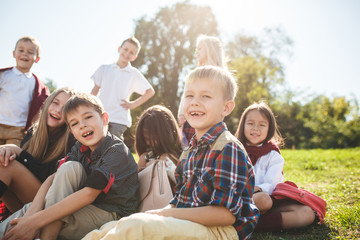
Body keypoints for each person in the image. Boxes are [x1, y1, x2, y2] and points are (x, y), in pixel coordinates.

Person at [83, 66, 259, 240]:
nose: (195, 102)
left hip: (221, 232)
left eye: (206, 96)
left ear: (226, 108)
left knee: (136, 226)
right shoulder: (190, 151)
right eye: (189, 95)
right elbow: (180, 202)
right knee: (113, 226)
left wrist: (164, 214)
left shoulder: (227, 148)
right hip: (190, 224)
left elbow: (225, 215)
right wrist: (157, 213)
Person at [0, 93, 139, 239]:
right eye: (75, 123)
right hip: (82, 206)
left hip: (110, 212)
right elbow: (53, 178)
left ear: (104, 119)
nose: (82, 125)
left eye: (88, 117)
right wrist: (31, 214)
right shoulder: (79, 148)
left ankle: (45, 237)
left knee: (49, 219)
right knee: (69, 169)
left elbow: (89, 194)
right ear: (72, 132)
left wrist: (35, 222)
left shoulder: (115, 150)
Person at [235, 101, 316, 231]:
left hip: (268, 202)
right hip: (240, 200)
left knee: (307, 213)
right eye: (250, 123)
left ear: (269, 128)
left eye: (262, 125)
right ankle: (241, 220)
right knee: (262, 200)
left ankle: (251, 224)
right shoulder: (234, 150)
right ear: (242, 125)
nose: (255, 128)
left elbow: (272, 185)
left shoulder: (273, 156)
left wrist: (254, 189)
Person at [0, 87, 76, 216]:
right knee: (4, 160)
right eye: (55, 103)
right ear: (47, 103)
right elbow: (23, 168)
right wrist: (9, 152)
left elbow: (49, 177)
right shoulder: (33, 132)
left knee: (7, 167)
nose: (57, 111)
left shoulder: (72, 141)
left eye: (65, 108)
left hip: (48, 205)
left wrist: (18, 152)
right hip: (22, 201)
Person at [91, 36, 155, 139]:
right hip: (101, 115)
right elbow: (95, 90)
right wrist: (88, 107)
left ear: (134, 57)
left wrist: (133, 104)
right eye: (125, 49)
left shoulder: (133, 73)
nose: (127, 53)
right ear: (119, 49)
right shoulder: (104, 69)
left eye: (131, 52)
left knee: (113, 146)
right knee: (97, 143)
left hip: (119, 118)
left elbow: (150, 91)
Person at [0, 36, 49, 146]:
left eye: (30, 52)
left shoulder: (36, 85)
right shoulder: (4, 75)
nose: (25, 54)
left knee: (8, 159)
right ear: (14, 53)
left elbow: (38, 109)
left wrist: (30, 127)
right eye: (21, 50)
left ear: (37, 59)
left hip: (17, 130)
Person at [179, 35, 227, 145]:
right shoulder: (196, 73)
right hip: (191, 117)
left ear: (210, 50)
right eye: (196, 49)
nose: (196, 51)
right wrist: (182, 113)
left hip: (206, 120)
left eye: (200, 48)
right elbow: (186, 94)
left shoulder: (219, 76)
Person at [136, 105, 183, 185]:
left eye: (155, 138)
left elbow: (184, 186)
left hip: (172, 194)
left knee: (165, 158)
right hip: (149, 195)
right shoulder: (144, 158)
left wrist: (167, 167)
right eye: (147, 139)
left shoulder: (171, 158)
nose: (152, 143)